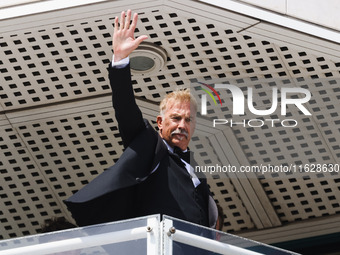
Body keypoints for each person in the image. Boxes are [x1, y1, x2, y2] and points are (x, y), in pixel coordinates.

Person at [64, 9, 217, 229]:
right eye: (175, 118)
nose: (182, 125)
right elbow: (125, 108)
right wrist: (120, 59)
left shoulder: (193, 167)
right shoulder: (149, 145)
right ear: (160, 122)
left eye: (188, 120)